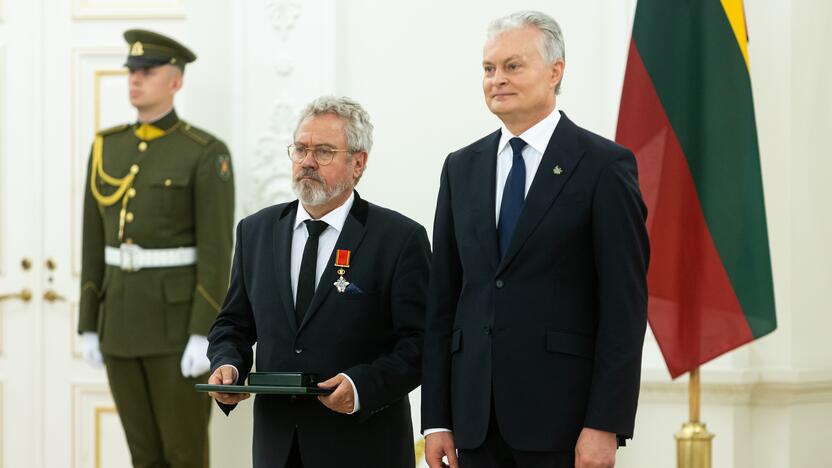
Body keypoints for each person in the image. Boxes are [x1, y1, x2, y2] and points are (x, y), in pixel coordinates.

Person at [421, 11, 649, 468]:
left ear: (555, 71)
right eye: (489, 69)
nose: (496, 80)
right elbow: (444, 299)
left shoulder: (604, 166)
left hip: (563, 422)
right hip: (474, 422)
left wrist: (605, 422)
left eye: (512, 66)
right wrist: (437, 419)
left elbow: (624, 308)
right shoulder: (461, 167)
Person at [206, 96, 430, 468]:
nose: (307, 162)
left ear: (358, 163)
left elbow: (421, 343)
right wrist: (228, 362)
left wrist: (361, 388)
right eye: (301, 149)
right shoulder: (256, 231)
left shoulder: (399, 238)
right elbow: (233, 323)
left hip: (363, 447)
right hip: (278, 446)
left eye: (324, 151)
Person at [78, 29, 235, 468]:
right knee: (142, 454)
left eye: (147, 72)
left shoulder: (205, 153)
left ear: (176, 81)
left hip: (176, 329)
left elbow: (217, 249)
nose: (135, 79)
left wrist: (204, 332)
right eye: (132, 71)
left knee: (183, 453)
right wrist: (89, 321)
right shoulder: (107, 146)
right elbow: (93, 237)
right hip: (119, 325)